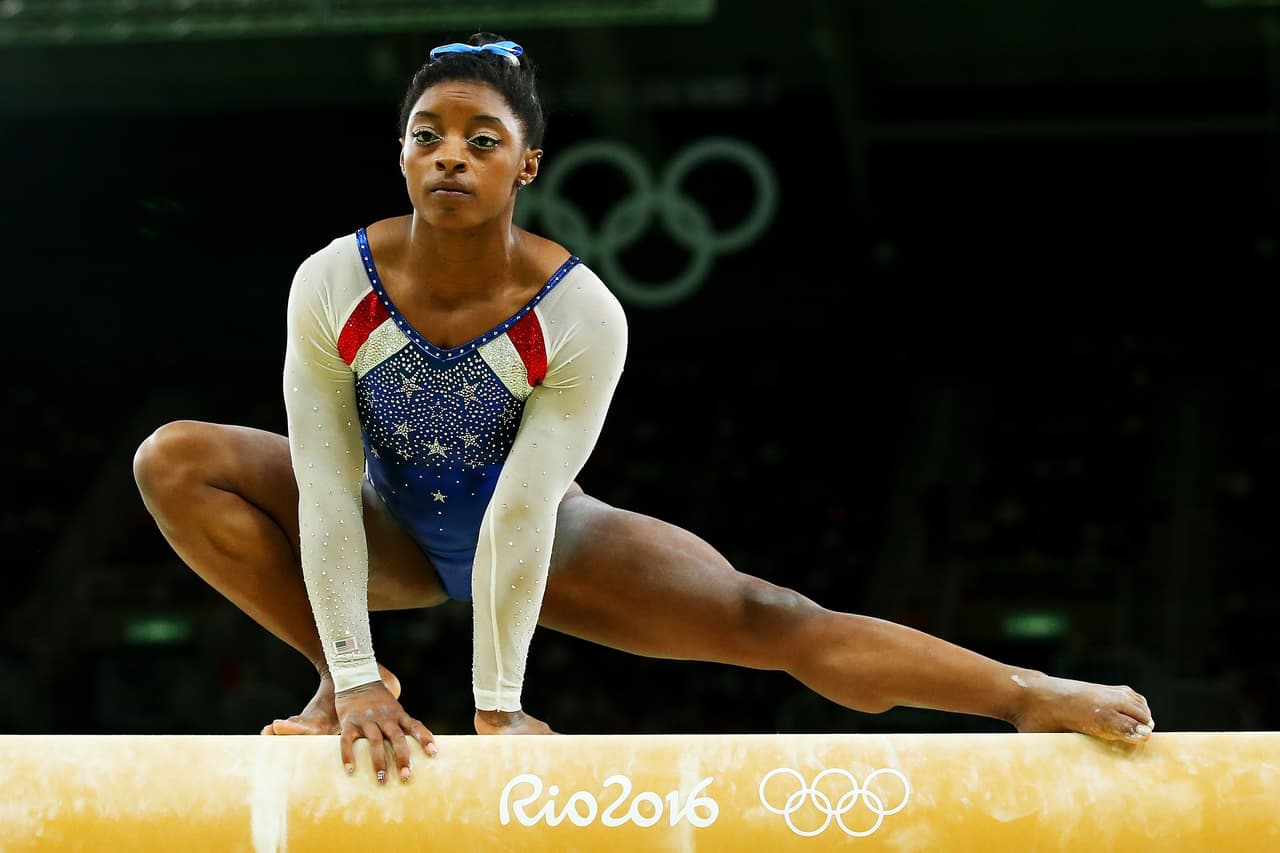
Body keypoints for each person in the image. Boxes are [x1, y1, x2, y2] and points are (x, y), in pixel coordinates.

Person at [132, 32, 1155, 786]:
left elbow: (523, 512)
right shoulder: (332, 284)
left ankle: (1024, 694)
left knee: (772, 618)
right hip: (383, 522)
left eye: (482, 139)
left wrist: (499, 709)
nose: (451, 153)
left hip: (553, 542)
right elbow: (320, 483)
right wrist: (352, 672)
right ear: (401, 156)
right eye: (427, 134)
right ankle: (338, 676)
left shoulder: (577, 312)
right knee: (175, 458)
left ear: (523, 165)